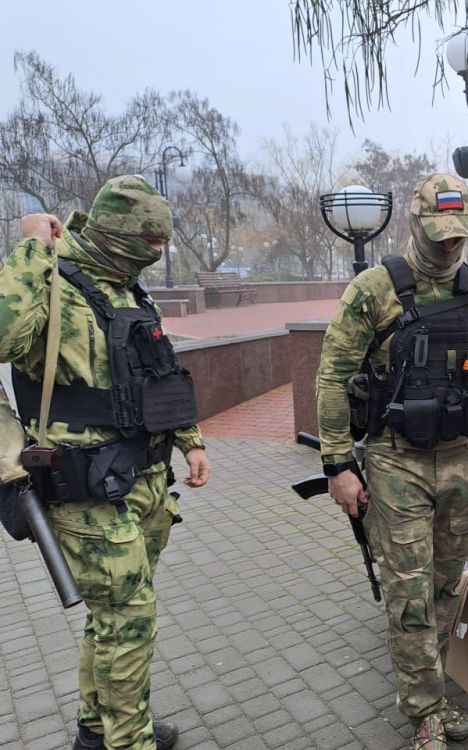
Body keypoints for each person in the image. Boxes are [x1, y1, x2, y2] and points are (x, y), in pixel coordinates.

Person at [316, 173, 468, 749]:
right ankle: (425, 714)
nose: (448, 247)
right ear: (415, 224)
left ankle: (432, 695)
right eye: (438, 235)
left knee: (445, 584)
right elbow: (333, 377)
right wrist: (338, 466)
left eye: (457, 237)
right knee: (409, 591)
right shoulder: (373, 289)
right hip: (397, 464)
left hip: (463, 461)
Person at [0, 176, 210, 750]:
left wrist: (190, 440)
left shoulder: (129, 290)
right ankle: (129, 741)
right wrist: (30, 250)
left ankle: (98, 729)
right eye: (148, 244)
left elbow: (158, 375)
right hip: (82, 488)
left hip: (143, 480)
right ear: (116, 234)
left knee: (112, 619)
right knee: (129, 620)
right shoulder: (51, 281)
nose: (156, 254)